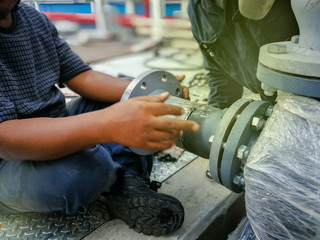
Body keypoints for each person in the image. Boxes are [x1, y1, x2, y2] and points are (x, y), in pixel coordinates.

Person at [0, 0, 200, 236]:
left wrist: (148, 94)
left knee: (126, 102)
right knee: (84, 171)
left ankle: (127, 185)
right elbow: (6, 139)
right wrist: (107, 126)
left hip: (54, 121)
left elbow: (82, 76)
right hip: (8, 159)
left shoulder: (32, 18)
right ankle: (115, 173)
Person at [187, 0, 299, 109]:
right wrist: (215, 118)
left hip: (304, 97)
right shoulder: (198, 10)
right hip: (272, 104)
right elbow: (221, 79)